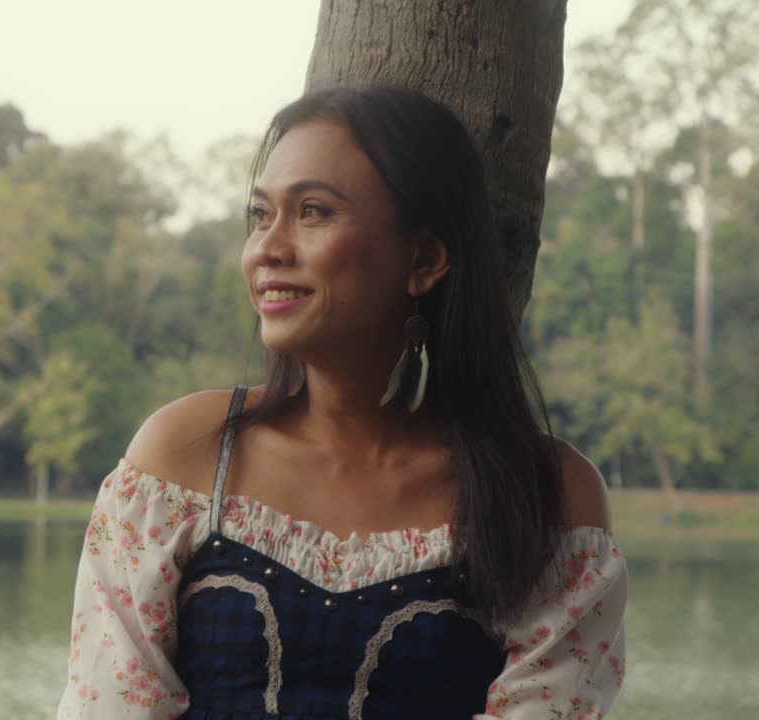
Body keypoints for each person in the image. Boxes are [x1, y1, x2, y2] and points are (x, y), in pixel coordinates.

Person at [56, 85, 626, 719]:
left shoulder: (547, 496)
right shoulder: (185, 458)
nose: (268, 249)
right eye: (260, 215)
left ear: (426, 257)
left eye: (313, 212)